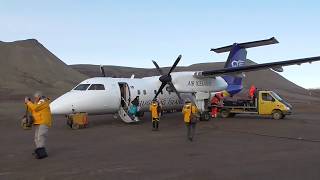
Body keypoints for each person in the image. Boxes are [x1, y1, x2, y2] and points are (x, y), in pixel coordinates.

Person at [25, 91, 52, 159]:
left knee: (41, 136)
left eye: (36, 97)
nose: (35, 99)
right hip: (38, 122)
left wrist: (28, 102)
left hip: (44, 122)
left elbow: (35, 108)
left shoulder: (44, 102)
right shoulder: (37, 103)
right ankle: (39, 151)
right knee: (36, 138)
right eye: (34, 98)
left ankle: (41, 153)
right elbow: (32, 109)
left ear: (39, 97)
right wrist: (27, 103)